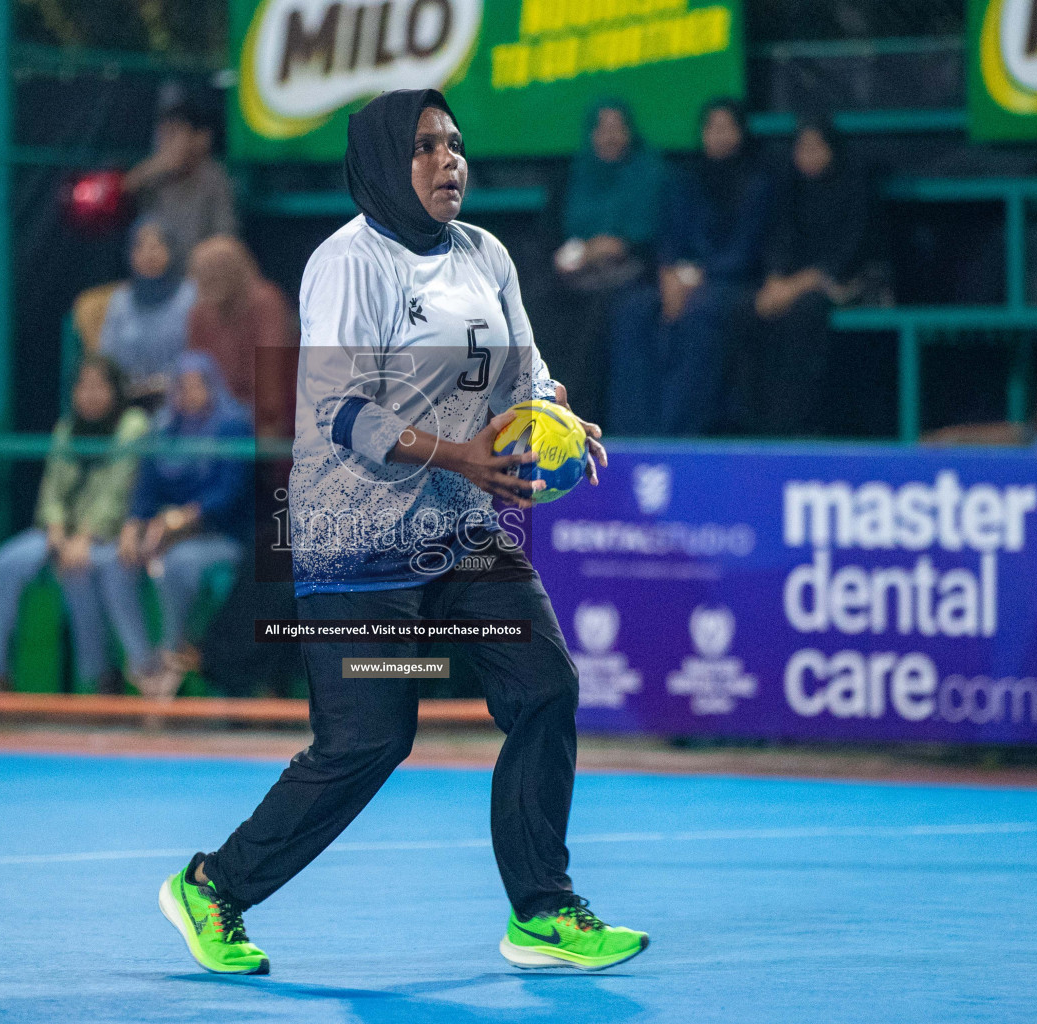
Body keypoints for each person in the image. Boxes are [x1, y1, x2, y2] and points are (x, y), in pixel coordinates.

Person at [155, 89, 648, 977]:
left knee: (544, 689)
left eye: (456, 144)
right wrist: (462, 456)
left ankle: (542, 910)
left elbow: (523, 374)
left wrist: (560, 419)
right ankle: (212, 886)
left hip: (459, 528)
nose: (448, 161)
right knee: (370, 739)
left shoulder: (487, 256)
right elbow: (342, 411)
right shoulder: (346, 263)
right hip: (355, 537)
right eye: (425, 147)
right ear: (385, 161)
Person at [0, 356, 151, 694]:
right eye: (83, 387)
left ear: (115, 390)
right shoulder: (66, 428)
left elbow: (118, 493)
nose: (90, 395)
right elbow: (52, 490)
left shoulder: (134, 426)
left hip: (108, 534)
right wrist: (57, 530)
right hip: (59, 533)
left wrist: (85, 537)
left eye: (98, 386)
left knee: (80, 569)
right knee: (3, 564)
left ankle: (104, 677)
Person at [612, 98, 770, 436]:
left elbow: (750, 248)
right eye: (711, 127)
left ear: (741, 132)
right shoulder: (687, 177)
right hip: (681, 279)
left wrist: (702, 276)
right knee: (635, 310)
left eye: (726, 127)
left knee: (702, 314)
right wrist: (669, 274)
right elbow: (669, 236)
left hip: (733, 281)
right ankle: (632, 431)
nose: (718, 136)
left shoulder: (758, 182)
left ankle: (679, 433)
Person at [117, 351, 253, 698]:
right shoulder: (163, 429)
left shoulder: (233, 426)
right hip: (164, 533)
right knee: (116, 562)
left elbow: (229, 495)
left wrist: (182, 519)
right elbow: (145, 490)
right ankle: (144, 663)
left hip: (218, 534)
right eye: (182, 386)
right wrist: (133, 527)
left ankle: (171, 656)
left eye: (197, 386)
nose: (188, 394)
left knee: (175, 565)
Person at [550, 100, 666, 431]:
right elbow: (554, 237)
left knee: (614, 313)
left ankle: (617, 426)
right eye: (603, 129)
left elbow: (651, 238)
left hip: (635, 274)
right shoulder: (574, 174)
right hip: (578, 277)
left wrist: (614, 246)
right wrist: (583, 252)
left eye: (618, 128)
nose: (610, 137)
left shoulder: (649, 173)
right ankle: (559, 418)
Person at [754, 112, 870, 436]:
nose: (809, 156)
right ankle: (751, 425)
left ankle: (796, 426)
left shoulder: (853, 184)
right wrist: (774, 279)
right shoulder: (789, 187)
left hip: (843, 285)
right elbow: (777, 240)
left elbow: (851, 251)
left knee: (805, 312)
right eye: (802, 148)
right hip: (789, 285)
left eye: (816, 147)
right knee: (747, 311)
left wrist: (797, 286)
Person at [184, 235, 299, 438]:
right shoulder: (200, 312)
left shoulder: (265, 301)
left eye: (215, 273)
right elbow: (195, 369)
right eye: (203, 276)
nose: (208, 283)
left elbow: (270, 372)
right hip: (216, 415)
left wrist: (266, 419)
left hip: (270, 414)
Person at [97, 217, 196, 407]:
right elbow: (107, 358)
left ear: (172, 251)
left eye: (157, 246)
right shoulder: (120, 300)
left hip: (180, 402)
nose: (149, 255)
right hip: (127, 403)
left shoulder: (190, 296)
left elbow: (200, 357)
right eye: (140, 247)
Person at [121, 99, 237, 262]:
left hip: (195, 273)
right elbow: (123, 192)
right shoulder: (152, 174)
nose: (166, 143)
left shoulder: (214, 178)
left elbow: (226, 238)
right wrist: (155, 167)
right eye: (163, 135)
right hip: (153, 273)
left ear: (201, 138)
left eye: (174, 134)